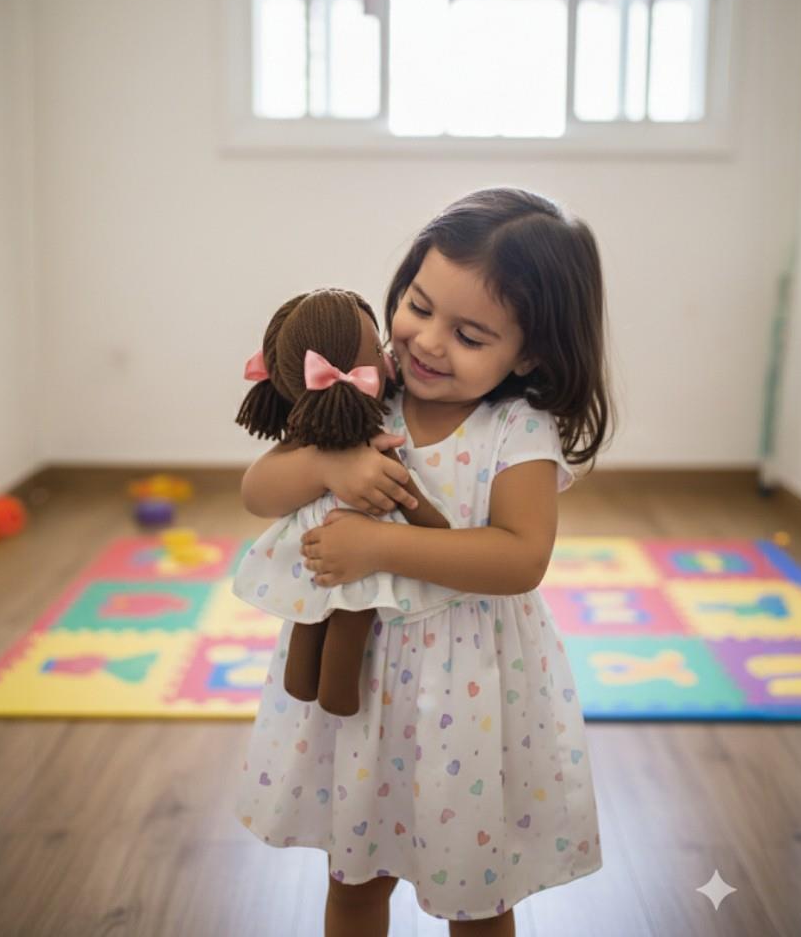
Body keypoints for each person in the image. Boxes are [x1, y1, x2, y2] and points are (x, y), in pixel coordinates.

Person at [234, 187, 615, 937]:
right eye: (418, 305)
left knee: (476, 897)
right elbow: (257, 491)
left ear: (528, 351)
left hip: (465, 694)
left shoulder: (518, 431)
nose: (429, 342)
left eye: (471, 336)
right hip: (361, 692)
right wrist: (327, 466)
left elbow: (520, 557)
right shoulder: (367, 393)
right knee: (354, 880)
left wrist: (379, 544)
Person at [233, 288, 462, 717]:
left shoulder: (388, 417)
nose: (386, 353)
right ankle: (307, 683)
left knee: (345, 613)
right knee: (320, 604)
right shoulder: (332, 441)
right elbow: (255, 490)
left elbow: (403, 492)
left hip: (358, 547)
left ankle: (333, 691)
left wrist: (433, 532)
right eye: (376, 348)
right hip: (323, 548)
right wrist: (323, 465)